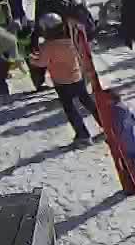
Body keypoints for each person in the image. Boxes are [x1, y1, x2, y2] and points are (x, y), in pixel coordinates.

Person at [32, 11, 98, 146]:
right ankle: (105, 125)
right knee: (88, 102)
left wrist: (32, 59)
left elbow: (42, 63)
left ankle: (83, 135)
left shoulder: (47, 46)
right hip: (77, 78)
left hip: (61, 83)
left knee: (70, 109)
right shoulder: (70, 40)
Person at [102, 87, 135, 191]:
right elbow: (134, 120)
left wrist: (112, 140)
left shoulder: (115, 111)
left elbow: (117, 128)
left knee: (131, 165)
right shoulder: (124, 107)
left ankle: (134, 185)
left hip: (125, 143)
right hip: (133, 139)